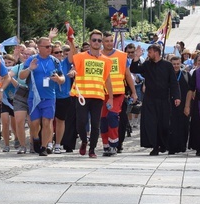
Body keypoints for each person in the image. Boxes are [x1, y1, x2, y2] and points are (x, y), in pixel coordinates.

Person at [69, 30, 114, 158]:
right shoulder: (81, 56)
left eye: (99, 40)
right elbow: (73, 56)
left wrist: (110, 97)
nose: (97, 42)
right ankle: (84, 140)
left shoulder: (106, 60)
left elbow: (107, 79)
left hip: (98, 96)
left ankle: (92, 149)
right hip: (82, 95)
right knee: (81, 122)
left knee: (95, 124)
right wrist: (71, 41)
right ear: (90, 41)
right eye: (94, 40)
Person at [130, 44, 181, 155]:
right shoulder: (147, 64)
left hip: (164, 99)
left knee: (164, 124)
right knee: (151, 124)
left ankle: (165, 145)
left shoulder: (167, 65)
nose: (148, 55)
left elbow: (173, 82)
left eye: (150, 52)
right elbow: (134, 69)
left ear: (156, 52)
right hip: (150, 99)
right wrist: (136, 57)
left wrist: (176, 96)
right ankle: (155, 146)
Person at [19, 36, 64, 156]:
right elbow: (21, 76)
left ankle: (44, 147)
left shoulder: (55, 61)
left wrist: (59, 79)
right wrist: (30, 68)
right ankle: (35, 138)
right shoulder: (32, 60)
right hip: (34, 97)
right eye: (47, 46)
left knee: (47, 121)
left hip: (49, 97)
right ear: (39, 47)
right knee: (34, 123)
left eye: (51, 46)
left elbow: (63, 78)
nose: (50, 48)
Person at [100, 32, 138, 156]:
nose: (109, 43)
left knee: (112, 116)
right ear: (102, 42)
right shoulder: (97, 56)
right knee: (103, 120)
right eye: (107, 41)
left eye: (111, 40)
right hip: (101, 93)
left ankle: (113, 144)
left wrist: (133, 92)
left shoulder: (122, 56)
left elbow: (127, 75)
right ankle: (105, 144)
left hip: (117, 93)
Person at [168, 54, 190, 153]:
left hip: (184, 105)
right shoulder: (167, 75)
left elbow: (190, 90)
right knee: (172, 126)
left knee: (183, 126)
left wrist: (188, 105)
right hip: (170, 104)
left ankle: (182, 146)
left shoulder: (186, 74)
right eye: (173, 64)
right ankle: (172, 146)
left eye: (177, 64)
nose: (176, 66)